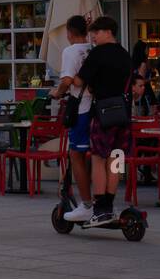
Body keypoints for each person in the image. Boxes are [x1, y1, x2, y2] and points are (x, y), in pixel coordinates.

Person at [64, 15, 133, 228]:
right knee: (116, 157)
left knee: (98, 158)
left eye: (96, 32)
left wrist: (68, 78)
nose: (92, 36)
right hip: (123, 113)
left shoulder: (98, 54)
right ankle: (110, 202)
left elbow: (80, 81)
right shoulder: (124, 54)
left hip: (103, 111)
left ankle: (100, 207)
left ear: (108, 32)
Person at [51, 14, 94, 222]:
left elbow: (67, 79)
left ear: (69, 33)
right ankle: (99, 197)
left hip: (81, 109)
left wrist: (57, 93)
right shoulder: (92, 49)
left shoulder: (70, 51)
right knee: (96, 156)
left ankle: (86, 203)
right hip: (97, 108)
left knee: (76, 156)